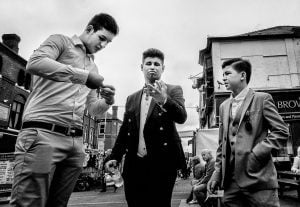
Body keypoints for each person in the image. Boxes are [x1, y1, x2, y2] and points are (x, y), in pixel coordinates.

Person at [10, 13, 119, 207]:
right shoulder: (60, 41)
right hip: (43, 132)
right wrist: (82, 76)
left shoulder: (94, 68)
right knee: (28, 203)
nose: (103, 45)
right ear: (90, 29)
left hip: (75, 144)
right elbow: (35, 62)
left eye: (108, 43)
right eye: (102, 38)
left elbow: (93, 110)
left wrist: (108, 102)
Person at [105, 48, 187, 207]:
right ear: (141, 67)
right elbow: (124, 132)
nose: (152, 67)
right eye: (148, 63)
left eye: (157, 64)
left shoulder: (173, 90)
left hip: (162, 163)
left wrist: (164, 100)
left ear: (163, 68)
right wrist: (114, 156)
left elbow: (182, 117)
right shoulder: (131, 98)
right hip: (134, 165)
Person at [207, 58, 289, 207]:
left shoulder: (262, 99)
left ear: (242, 75)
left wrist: (257, 153)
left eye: (227, 73)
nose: (223, 78)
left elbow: (281, 131)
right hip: (230, 182)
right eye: (223, 74)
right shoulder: (224, 106)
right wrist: (216, 173)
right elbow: (222, 144)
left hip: (258, 179)